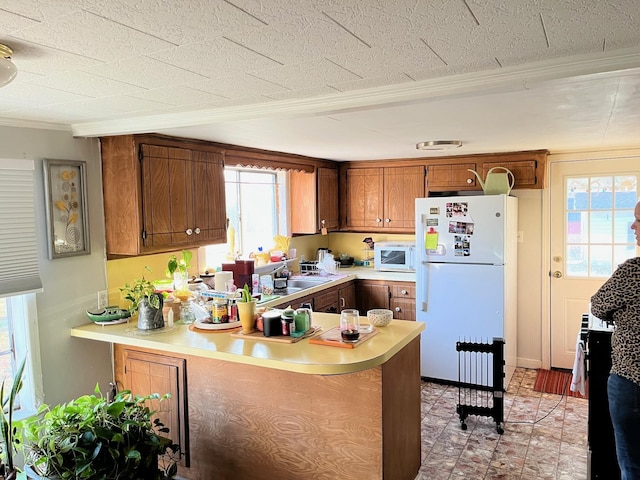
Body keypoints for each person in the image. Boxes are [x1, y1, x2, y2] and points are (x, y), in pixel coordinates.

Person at [590, 199, 640, 480]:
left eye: (638, 220)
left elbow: (598, 305)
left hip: (631, 380)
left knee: (632, 466)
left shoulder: (633, 271)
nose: (632, 226)